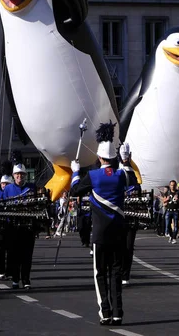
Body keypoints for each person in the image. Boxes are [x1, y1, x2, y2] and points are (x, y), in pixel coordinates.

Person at [70, 121, 127, 326]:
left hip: (100, 234)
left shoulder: (93, 176)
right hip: (119, 233)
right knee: (116, 272)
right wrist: (125, 159)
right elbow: (132, 178)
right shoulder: (121, 175)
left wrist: (75, 172)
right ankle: (118, 312)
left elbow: (75, 191)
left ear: (100, 157)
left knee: (99, 273)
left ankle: (106, 312)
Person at [2, 151, 37, 290]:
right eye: (17, 175)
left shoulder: (32, 188)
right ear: (13, 176)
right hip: (13, 226)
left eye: (22, 175)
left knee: (27, 255)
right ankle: (15, 279)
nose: (19, 177)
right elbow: (3, 205)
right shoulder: (8, 189)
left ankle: (26, 279)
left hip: (28, 226)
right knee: (14, 254)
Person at [119, 142, 141, 286]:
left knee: (119, 245)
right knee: (128, 246)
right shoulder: (134, 177)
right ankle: (125, 273)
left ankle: (120, 271)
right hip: (132, 216)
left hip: (118, 215)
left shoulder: (117, 175)